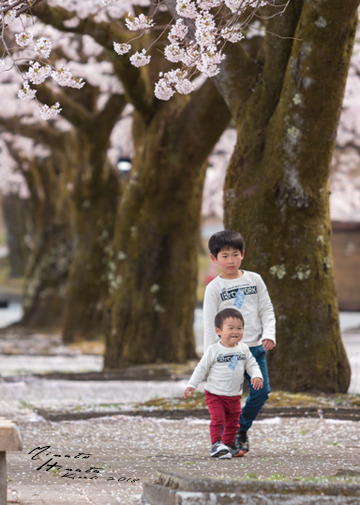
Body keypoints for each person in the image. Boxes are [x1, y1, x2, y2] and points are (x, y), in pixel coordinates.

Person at [203, 229, 276, 457]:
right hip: (228, 353)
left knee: (261, 392)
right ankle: (228, 436)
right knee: (229, 397)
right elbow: (209, 324)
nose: (230, 260)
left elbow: (267, 310)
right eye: (224, 256)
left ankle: (239, 429)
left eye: (235, 254)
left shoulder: (255, 280)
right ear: (214, 259)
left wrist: (269, 334)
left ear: (242, 254)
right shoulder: (214, 288)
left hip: (254, 349)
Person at [184, 308, 263, 459]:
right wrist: (192, 385)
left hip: (234, 396)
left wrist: (257, 376)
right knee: (218, 419)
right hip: (215, 394)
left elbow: (252, 365)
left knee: (234, 424)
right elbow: (201, 368)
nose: (236, 331)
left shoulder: (244, 349)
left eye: (239, 328)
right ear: (218, 331)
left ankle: (225, 447)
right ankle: (216, 444)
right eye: (231, 328)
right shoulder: (214, 350)